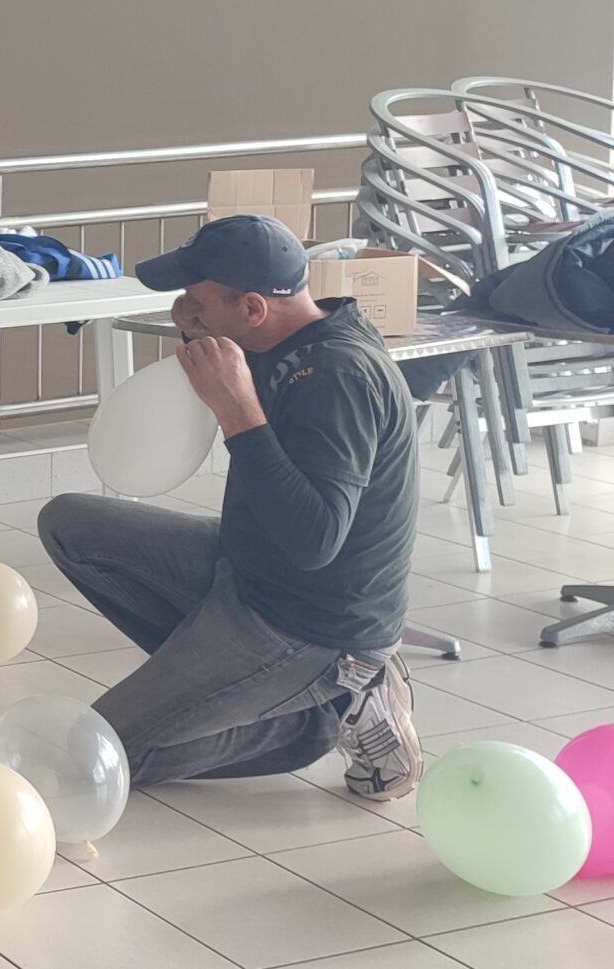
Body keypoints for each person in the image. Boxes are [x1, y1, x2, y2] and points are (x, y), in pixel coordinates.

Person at [37, 214, 422, 798]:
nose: (185, 310)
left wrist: (237, 410)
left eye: (197, 300)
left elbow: (315, 541)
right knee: (69, 524)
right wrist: (198, 333)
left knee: (95, 758)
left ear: (252, 308)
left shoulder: (337, 377)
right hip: (247, 569)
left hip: (313, 625)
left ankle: (319, 717)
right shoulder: (277, 336)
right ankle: (228, 682)